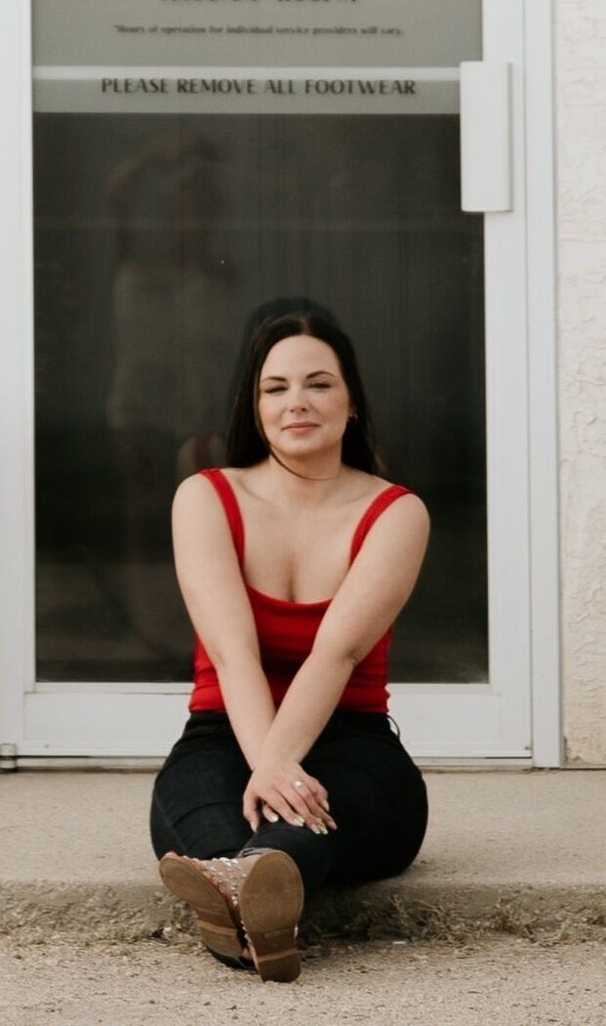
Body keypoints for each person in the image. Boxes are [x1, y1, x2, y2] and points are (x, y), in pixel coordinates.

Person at [148, 302, 431, 981]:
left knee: (308, 819)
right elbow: (231, 651)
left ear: (352, 400)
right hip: (222, 732)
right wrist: (270, 766)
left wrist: (276, 767)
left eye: (319, 383)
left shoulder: (395, 511)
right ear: (253, 405)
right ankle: (257, 895)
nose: (296, 402)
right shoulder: (205, 496)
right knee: (213, 817)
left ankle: (239, 893)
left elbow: (336, 653)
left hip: (352, 739)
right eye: (275, 387)